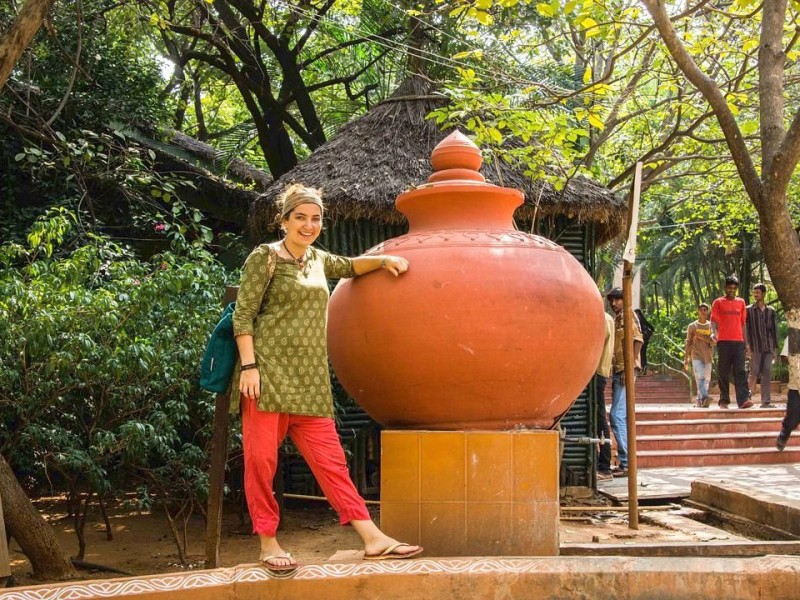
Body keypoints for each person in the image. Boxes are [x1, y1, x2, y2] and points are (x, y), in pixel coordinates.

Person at [232, 184, 423, 571]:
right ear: (283, 220)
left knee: (331, 462)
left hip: (310, 382)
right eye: (300, 217)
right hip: (266, 378)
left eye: (315, 218)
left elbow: (351, 265)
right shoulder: (264, 257)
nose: (308, 225)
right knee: (260, 462)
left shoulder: (318, 260)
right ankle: (268, 543)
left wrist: (385, 261)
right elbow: (243, 316)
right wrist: (250, 367)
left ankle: (372, 538)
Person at [606, 287, 644, 477]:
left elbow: (638, 340)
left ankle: (628, 462)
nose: (614, 304)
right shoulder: (617, 318)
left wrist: (629, 367)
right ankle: (626, 462)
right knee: (621, 415)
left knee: (616, 415)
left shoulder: (628, 315)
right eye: (612, 301)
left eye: (617, 300)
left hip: (625, 370)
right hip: (619, 369)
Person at [710, 275, 752, 409]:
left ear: (736, 289)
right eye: (729, 287)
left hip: (738, 342)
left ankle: (744, 399)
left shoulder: (741, 302)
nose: (732, 290)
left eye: (734, 288)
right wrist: (713, 333)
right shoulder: (718, 302)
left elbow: (743, 324)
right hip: (723, 342)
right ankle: (724, 400)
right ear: (725, 288)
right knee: (723, 371)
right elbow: (713, 321)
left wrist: (747, 344)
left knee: (740, 371)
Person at [746, 283, 778, 407]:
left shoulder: (771, 311)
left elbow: (774, 330)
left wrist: (775, 349)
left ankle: (765, 401)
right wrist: (747, 346)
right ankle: (747, 398)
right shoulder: (748, 310)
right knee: (753, 372)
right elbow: (746, 329)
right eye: (754, 292)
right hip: (755, 347)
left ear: (763, 294)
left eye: (758, 292)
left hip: (768, 347)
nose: (755, 294)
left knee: (767, 373)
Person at [594, 310, 615, 481]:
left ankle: (604, 465)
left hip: (596, 372)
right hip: (600, 371)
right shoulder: (608, 318)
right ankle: (602, 463)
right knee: (597, 417)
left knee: (599, 417)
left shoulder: (601, 319)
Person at [683, 303, 715, 408]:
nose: (703, 312)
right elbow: (688, 342)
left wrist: (700, 336)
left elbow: (714, 342)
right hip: (696, 355)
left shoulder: (711, 326)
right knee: (699, 377)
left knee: (706, 379)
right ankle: (704, 396)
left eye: (705, 310)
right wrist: (686, 358)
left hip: (708, 356)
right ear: (698, 311)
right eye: (701, 310)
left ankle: (700, 400)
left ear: (708, 311)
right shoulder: (692, 326)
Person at [777, 336, 800, 450]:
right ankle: (783, 436)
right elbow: (783, 357)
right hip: (796, 385)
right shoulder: (793, 336)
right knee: (793, 416)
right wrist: (794, 362)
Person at [634, 308, 654, 375]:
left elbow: (652, 328)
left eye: (637, 313)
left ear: (639, 314)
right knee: (640, 354)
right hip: (640, 340)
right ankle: (642, 368)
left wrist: (649, 335)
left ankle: (643, 367)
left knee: (642, 353)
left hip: (643, 340)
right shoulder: (635, 321)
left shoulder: (642, 321)